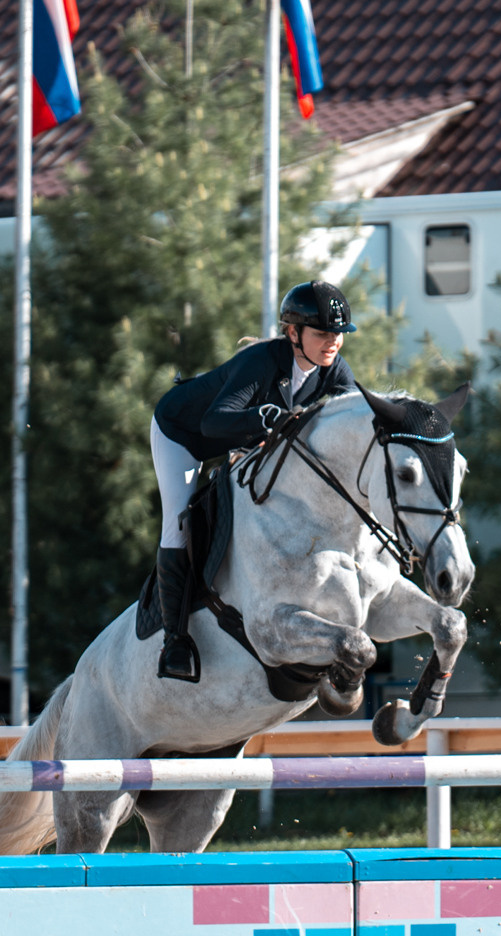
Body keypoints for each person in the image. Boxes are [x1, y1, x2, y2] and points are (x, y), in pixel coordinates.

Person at [148, 280, 360, 681]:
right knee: (178, 523)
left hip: (241, 439)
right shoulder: (261, 362)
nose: (332, 343)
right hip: (184, 434)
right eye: (322, 334)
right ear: (293, 333)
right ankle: (174, 642)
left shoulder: (333, 370)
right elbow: (212, 423)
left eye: (338, 335)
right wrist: (261, 418)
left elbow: (349, 420)